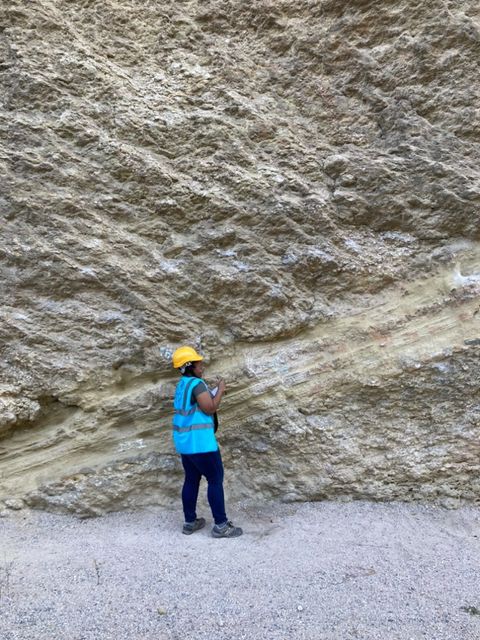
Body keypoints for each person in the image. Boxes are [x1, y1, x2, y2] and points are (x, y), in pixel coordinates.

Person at [171, 345, 243, 538]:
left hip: (185, 443)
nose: (202, 366)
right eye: (198, 363)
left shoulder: (182, 384)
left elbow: (193, 408)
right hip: (201, 444)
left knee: (191, 480)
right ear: (189, 366)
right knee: (215, 479)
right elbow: (209, 408)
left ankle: (189, 522)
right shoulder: (197, 384)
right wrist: (220, 390)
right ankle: (221, 526)